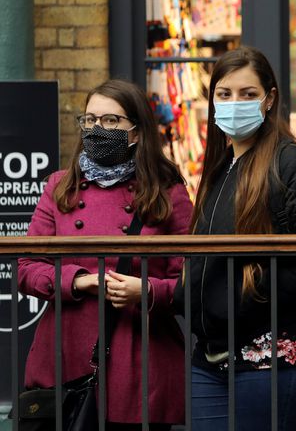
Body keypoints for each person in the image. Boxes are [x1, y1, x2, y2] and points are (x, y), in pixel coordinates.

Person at [176, 46, 296, 431]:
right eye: (224, 94)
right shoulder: (221, 169)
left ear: (269, 99)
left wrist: (241, 297)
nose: (234, 103)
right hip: (210, 357)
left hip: (273, 358)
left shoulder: (292, 165)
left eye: (248, 94)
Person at [18, 79, 193, 429]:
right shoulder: (60, 186)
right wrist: (79, 281)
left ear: (136, 133)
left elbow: (192, 279)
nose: (98, 129)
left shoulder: (167, 192)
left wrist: (146, 291)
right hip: (65, 354)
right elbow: (26, 267)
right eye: (90, 120)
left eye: (111, 121)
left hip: (139, 358)